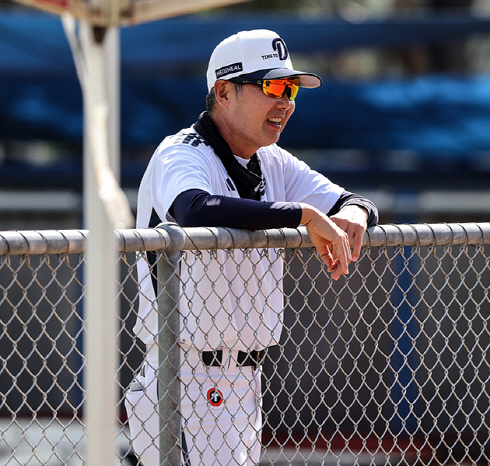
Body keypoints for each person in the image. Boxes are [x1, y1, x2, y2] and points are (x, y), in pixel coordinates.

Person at [125, 29, 378, 466]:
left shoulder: (272, 160)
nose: (286, 102)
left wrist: (355, 213)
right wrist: (301, 215)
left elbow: (352, 201)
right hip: (184, 373)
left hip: (246, 382)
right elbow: (194, 208)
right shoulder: (181, 152)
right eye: (273, 86)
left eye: (291, 89)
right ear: (224, 92)